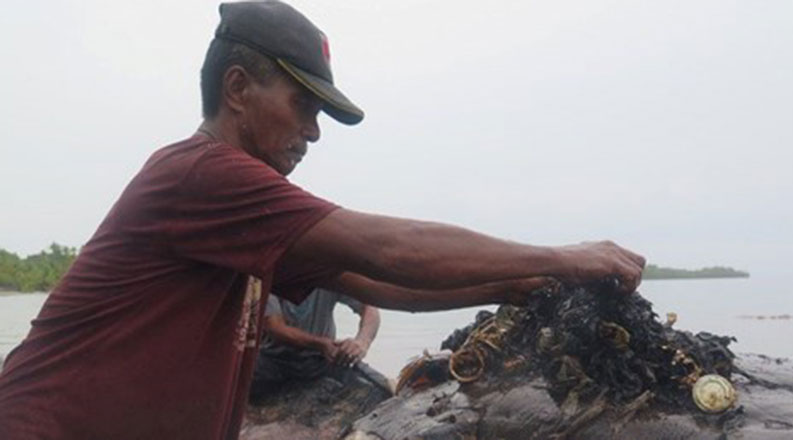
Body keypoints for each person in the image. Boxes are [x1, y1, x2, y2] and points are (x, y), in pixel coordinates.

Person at [0, 2, 645, 439]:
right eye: (304, 105)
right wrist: (563, 257)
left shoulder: (244, 220)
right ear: (236, 90)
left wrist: (508, 287)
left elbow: (380, 282)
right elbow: (392, 248)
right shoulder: (202, 174)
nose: (312, 132)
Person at [249, 289, 385, 403]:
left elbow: (370, 308)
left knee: (383, 388)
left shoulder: (329, 273)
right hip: (272, 359)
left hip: (321, 359)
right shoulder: (272, 274)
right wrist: (320, 344)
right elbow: (275, 328)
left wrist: (361, 342)